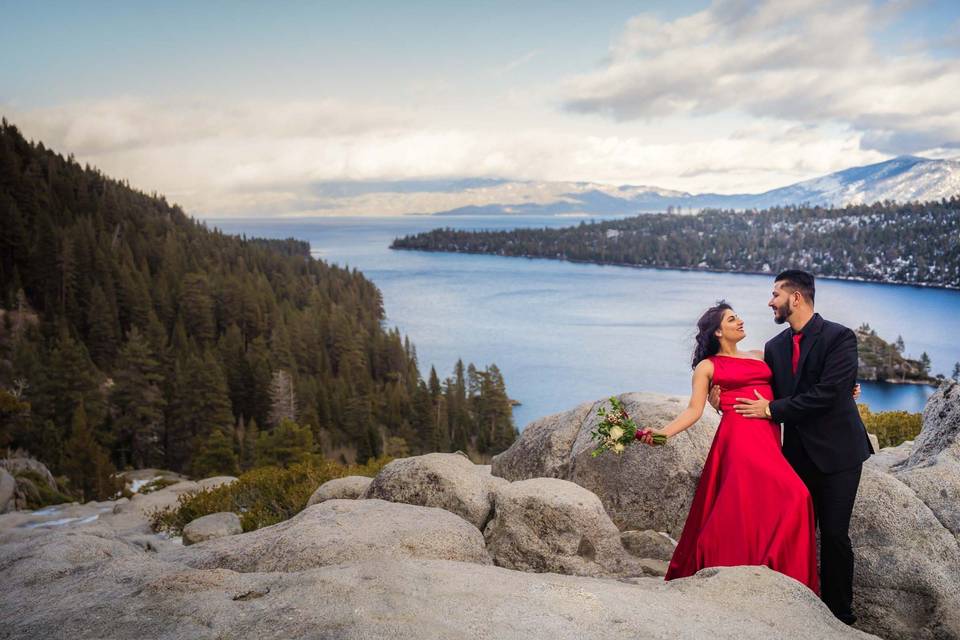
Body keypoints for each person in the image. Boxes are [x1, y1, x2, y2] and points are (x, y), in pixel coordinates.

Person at [636, 301, 820, 594]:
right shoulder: (707, 366)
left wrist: (844, 387)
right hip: (739, 438)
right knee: (788, 496)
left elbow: (799, 382)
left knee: (774, 501)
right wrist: (662, 434)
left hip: (768, 437)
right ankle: (731, 569)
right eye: (733, 319)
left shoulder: (761, 355)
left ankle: (775, 573)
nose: (741, 322)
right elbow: (694, 410)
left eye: (739, 317)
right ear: (719, 331)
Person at [725, 270, 874, 625]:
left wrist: (773, 410)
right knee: (795, 530)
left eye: (775, 294)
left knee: (835, 534)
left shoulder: (839, 337)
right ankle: (795, 601)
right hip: (794, 456)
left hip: (840, 454)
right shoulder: (776, 347)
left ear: (796, 298)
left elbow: (828, 393)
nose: (769, 301)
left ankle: (840, 615)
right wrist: (721, 396)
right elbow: (761, 385)